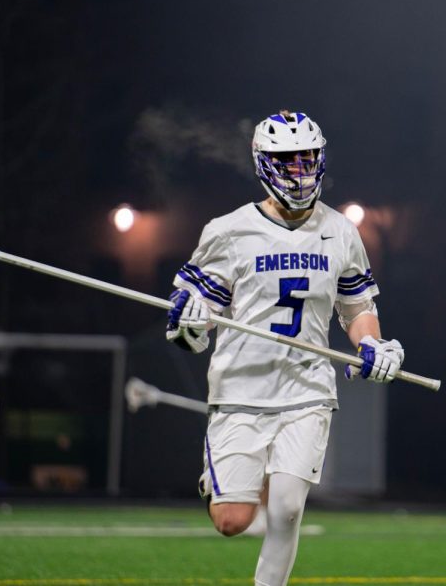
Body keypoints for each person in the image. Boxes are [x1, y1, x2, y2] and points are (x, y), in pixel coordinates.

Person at [165, 110, 404, 586]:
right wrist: (190, 326)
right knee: (232, 520)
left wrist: (373, 342)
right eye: (287, 162)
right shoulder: (229, 230)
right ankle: (223, 480)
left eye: (307, 160)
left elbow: (356, 308)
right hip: (240, 388)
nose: (300, 172)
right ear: (264, 164)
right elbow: (193, 326)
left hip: (307, 388)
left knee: (288, 508)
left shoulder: (340, 230)